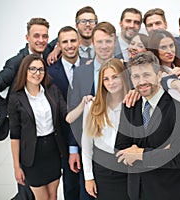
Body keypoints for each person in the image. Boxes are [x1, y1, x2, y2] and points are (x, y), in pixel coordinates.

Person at [115, 51, 180, 200]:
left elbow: (179, 157)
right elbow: (120, 148)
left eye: (146, 75)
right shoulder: (130, 105)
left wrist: (140, 154)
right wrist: (161, 152)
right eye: (136, 76)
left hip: (169, 191)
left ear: (159, 75)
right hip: (137, 191)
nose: (141, 81)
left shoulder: (179, 106)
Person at [0, 17, 55, 200]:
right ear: (27, 37)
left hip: (46, 137)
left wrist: (59, 45)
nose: (41, 40)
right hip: (24, 135)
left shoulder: (48, 50)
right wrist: (9, 111)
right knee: (26, 188)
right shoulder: (15, 62)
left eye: (45, 36)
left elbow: (57, 42)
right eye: (36, 36)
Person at [67, 21, 118, 200]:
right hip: (88, 146)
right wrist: (73, 149)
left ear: (115, 42)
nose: (104, 46)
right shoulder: (81, 72)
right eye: (100, 41)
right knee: (88, 192)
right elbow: (74, 112)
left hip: (117, 150)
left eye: (108, 41)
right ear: (92, 43)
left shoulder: (125, 70)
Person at [66, 58, 130, 199]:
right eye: (106, 79)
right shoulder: (93, 105)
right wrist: (88, 177)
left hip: (128, 170)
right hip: (103, 171)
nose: (111, 82)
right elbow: (87, 145)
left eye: (115, 77)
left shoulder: (132, 103)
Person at [8, 54, 68, 200]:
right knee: (41, 198)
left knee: (53, 196)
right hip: (33, 156)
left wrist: (84, 105)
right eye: (32, 69)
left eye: (41, 69)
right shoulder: (16, 98)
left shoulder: (52, 90)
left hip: (53, 151)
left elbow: (66, 115)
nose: (37, 73)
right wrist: (17, 167)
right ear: (25, 70)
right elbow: (15, 136)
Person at [47, 26, 85, 200]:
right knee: (70, 187)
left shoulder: (91, 65)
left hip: (89, 136)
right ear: (59, 45)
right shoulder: (49, 73)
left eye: (72, 40)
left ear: (79, 42)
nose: (70, 45)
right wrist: (71, 148)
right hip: (63, 139)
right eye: (65, 42)